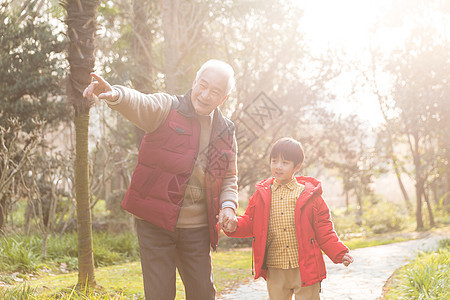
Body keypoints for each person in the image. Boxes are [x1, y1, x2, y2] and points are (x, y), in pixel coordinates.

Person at [83, 59, 239, 300]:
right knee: (160, 295)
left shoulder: (225, 131)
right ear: (195, 82)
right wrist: (116, 95)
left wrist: (228, 206)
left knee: (203, 294)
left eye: (215, 91)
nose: (205, 95)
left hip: (196, 229)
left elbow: (228, 177)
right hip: (154, 223)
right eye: (203, 85)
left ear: (223, 99)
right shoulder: (167, 108)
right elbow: (141, 103)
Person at [226, 137, 353, 300]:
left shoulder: (310, 196)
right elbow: (250, 222)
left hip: (305, 267)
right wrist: (233, 224)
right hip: (275, 267)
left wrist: (339, 253)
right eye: (274, 161)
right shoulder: (262, 195)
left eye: (285, 162)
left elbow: (325, 230)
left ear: (297, 166)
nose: (278, 166)